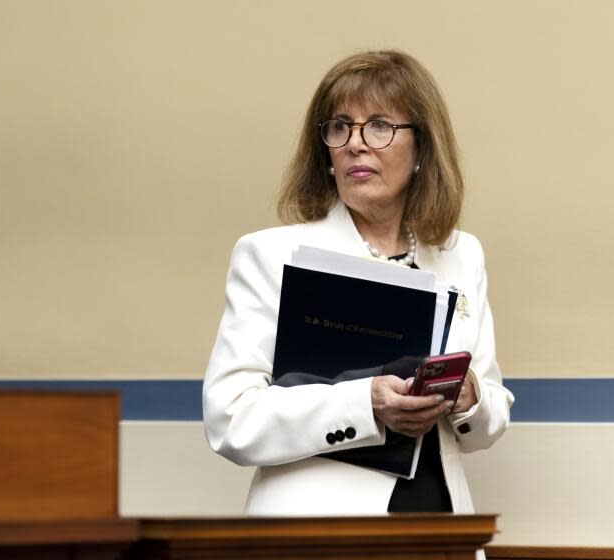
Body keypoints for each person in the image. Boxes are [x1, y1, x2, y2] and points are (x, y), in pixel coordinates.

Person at [203, 50, 514, 516]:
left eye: (380, 126)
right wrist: (363, 403)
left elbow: (489, 421)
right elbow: (230, 419)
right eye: (340, 127)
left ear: (422, 149)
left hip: (441, 525)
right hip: (319, 531)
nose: (355, 143)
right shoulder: (271, 255)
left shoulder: (461, 255)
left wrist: (469, 397)